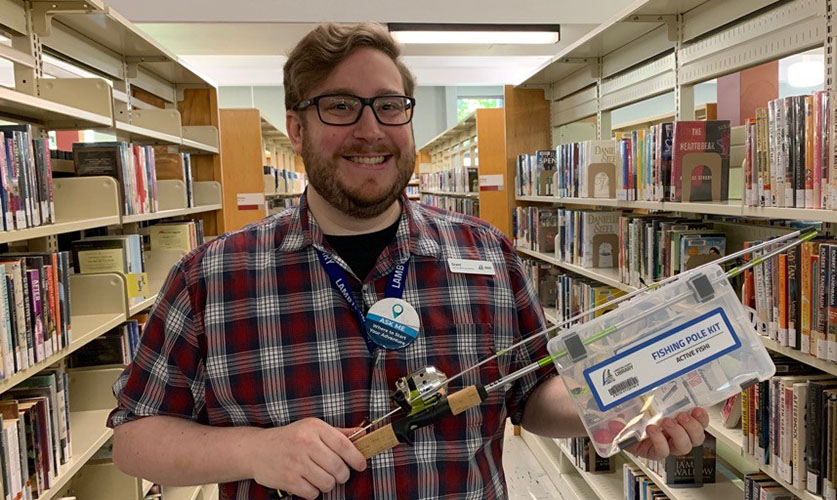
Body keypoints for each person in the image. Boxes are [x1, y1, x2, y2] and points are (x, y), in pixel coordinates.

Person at [108, 22, 709, 500]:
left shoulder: (486, 253)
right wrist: (254, 452)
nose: (371, 130)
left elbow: (530, 394)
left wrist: (623, 407)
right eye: (341, 106)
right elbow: (135, 441)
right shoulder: (212, 275)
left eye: (390, 106)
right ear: (295, 127)